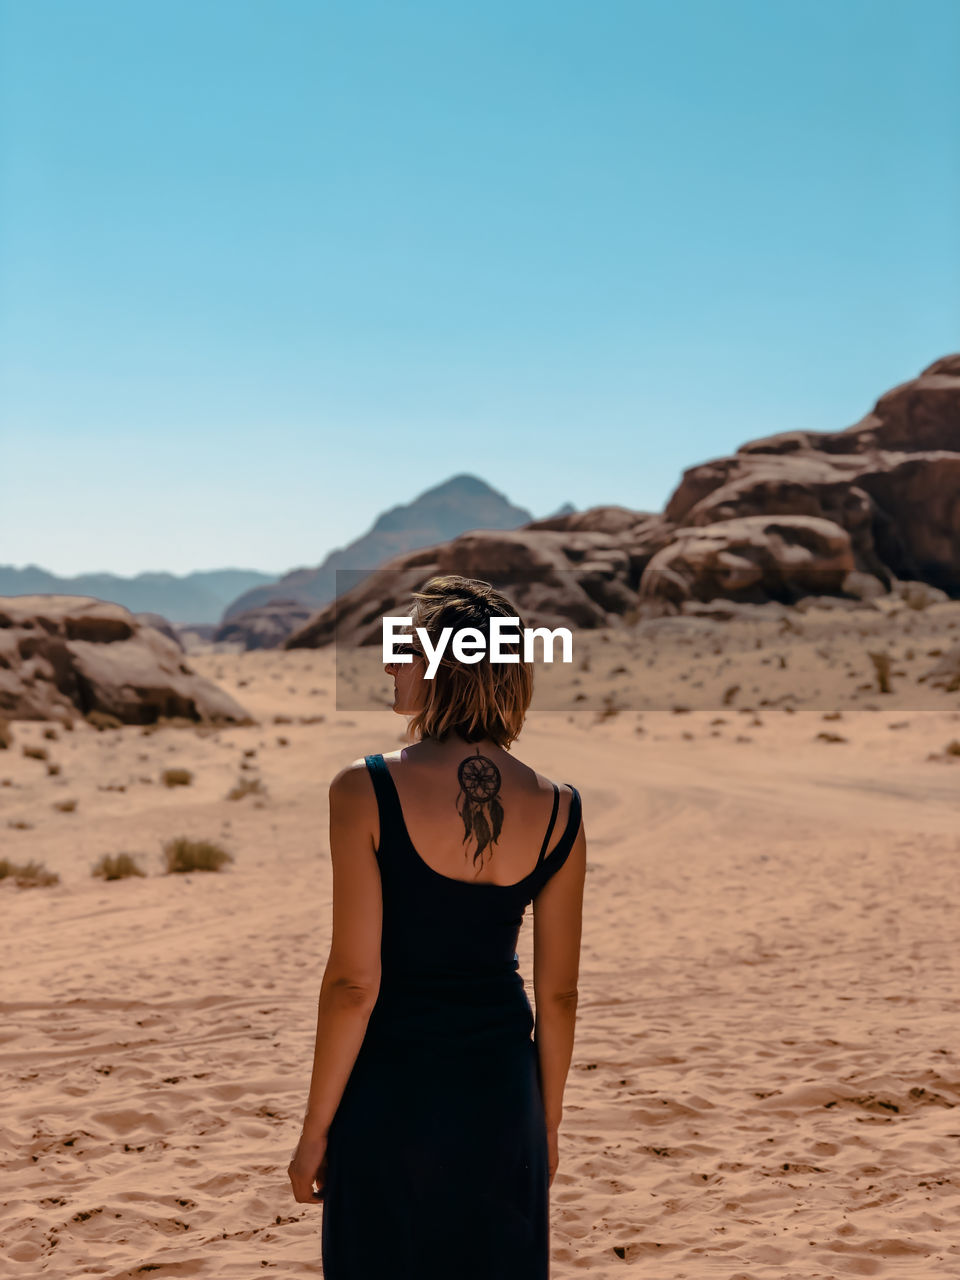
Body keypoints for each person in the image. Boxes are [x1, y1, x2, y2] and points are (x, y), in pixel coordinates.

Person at [287, 574, 586, 1279]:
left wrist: (313, 1133)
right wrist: (545, 1123)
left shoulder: (363, 789)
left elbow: (355, 983)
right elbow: (561, 997)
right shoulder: (561, 810)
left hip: (391, 1090)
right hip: (504, 1095)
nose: (390, 664)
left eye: (405, 649)